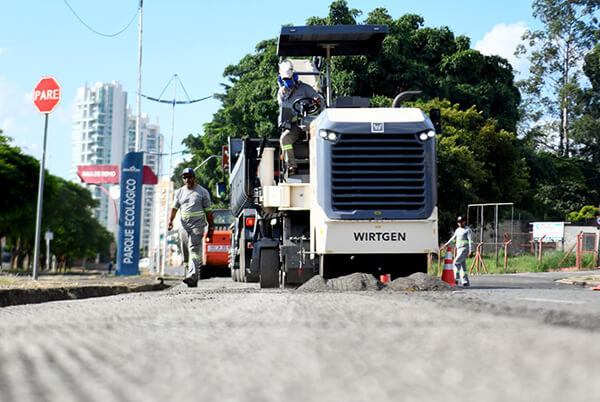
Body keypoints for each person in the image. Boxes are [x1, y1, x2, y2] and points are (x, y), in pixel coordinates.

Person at [167, 167, 214, 287]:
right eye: (185, 177)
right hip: (183, 225)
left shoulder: (202, 192)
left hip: (197, 225)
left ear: (194, 177)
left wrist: (211, 228)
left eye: (190, 177)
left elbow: (208, 211)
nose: (187, 179)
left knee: (194, 250)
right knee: (185, 250)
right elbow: (174, 209)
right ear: (183, 179)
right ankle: (190, 273)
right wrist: (170, 221)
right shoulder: (179, 192)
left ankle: (193, 275)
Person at [277, 59, 324, 175]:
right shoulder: (281, 93)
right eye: (285, 80)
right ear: (281, 80)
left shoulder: (305, 88)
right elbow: (282, 109)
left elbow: (319, 100)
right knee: (284, 139)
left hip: (310, 123)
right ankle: (292, 166)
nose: (287, 82)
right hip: (295, 126)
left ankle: (322, 164)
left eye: (289, 79)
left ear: (294, 77)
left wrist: (317, 101)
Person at [444, 216, 474, 287]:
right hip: (458, 249)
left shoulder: (467, 230)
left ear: (464, 222)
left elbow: (470, 241)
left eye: (461, 222)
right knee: (462, 265)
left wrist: (471, 250)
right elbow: (453, 238)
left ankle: (455, 279)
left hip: (464, 249)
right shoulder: (457, 230)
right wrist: (446, 244)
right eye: (459, 222)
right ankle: (465, 281)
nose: (460, 224)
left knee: (456, 263)